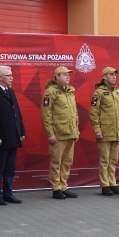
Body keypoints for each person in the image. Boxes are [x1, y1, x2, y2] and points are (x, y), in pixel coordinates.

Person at [0, 65, 25, 205]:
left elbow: (17, 113)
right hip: (1, 137)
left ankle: (8, 193)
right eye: (9, 75)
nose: (12, 77)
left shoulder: (11, 91)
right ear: (0, 77)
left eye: (11, 75)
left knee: (10, 167)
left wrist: (21, 131)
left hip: (13, 136)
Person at [42, 66, 80, 199]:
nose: (68, 77)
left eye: (68, 75)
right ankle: (56, 188)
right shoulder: (50, 92)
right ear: (57, 77)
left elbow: (74, 113)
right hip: (58, 134)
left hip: (70, 133)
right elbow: (47, 115)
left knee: (67, 162)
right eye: (64, 75)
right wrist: (50, 133)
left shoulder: (70, 92)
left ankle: (64, 186)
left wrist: (76, 131)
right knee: (56, 162)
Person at [89, 66, 119, 196]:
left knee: (113, 161)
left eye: (114, 75)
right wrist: (97, 130)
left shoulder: (118, 92)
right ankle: (105, 186)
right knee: (104, 161)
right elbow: (94, 113)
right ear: (104, 77)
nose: (114, 77)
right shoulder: (98, 93)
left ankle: (112, 183)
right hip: (104, 132)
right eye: (110, 75)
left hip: (116, 132)